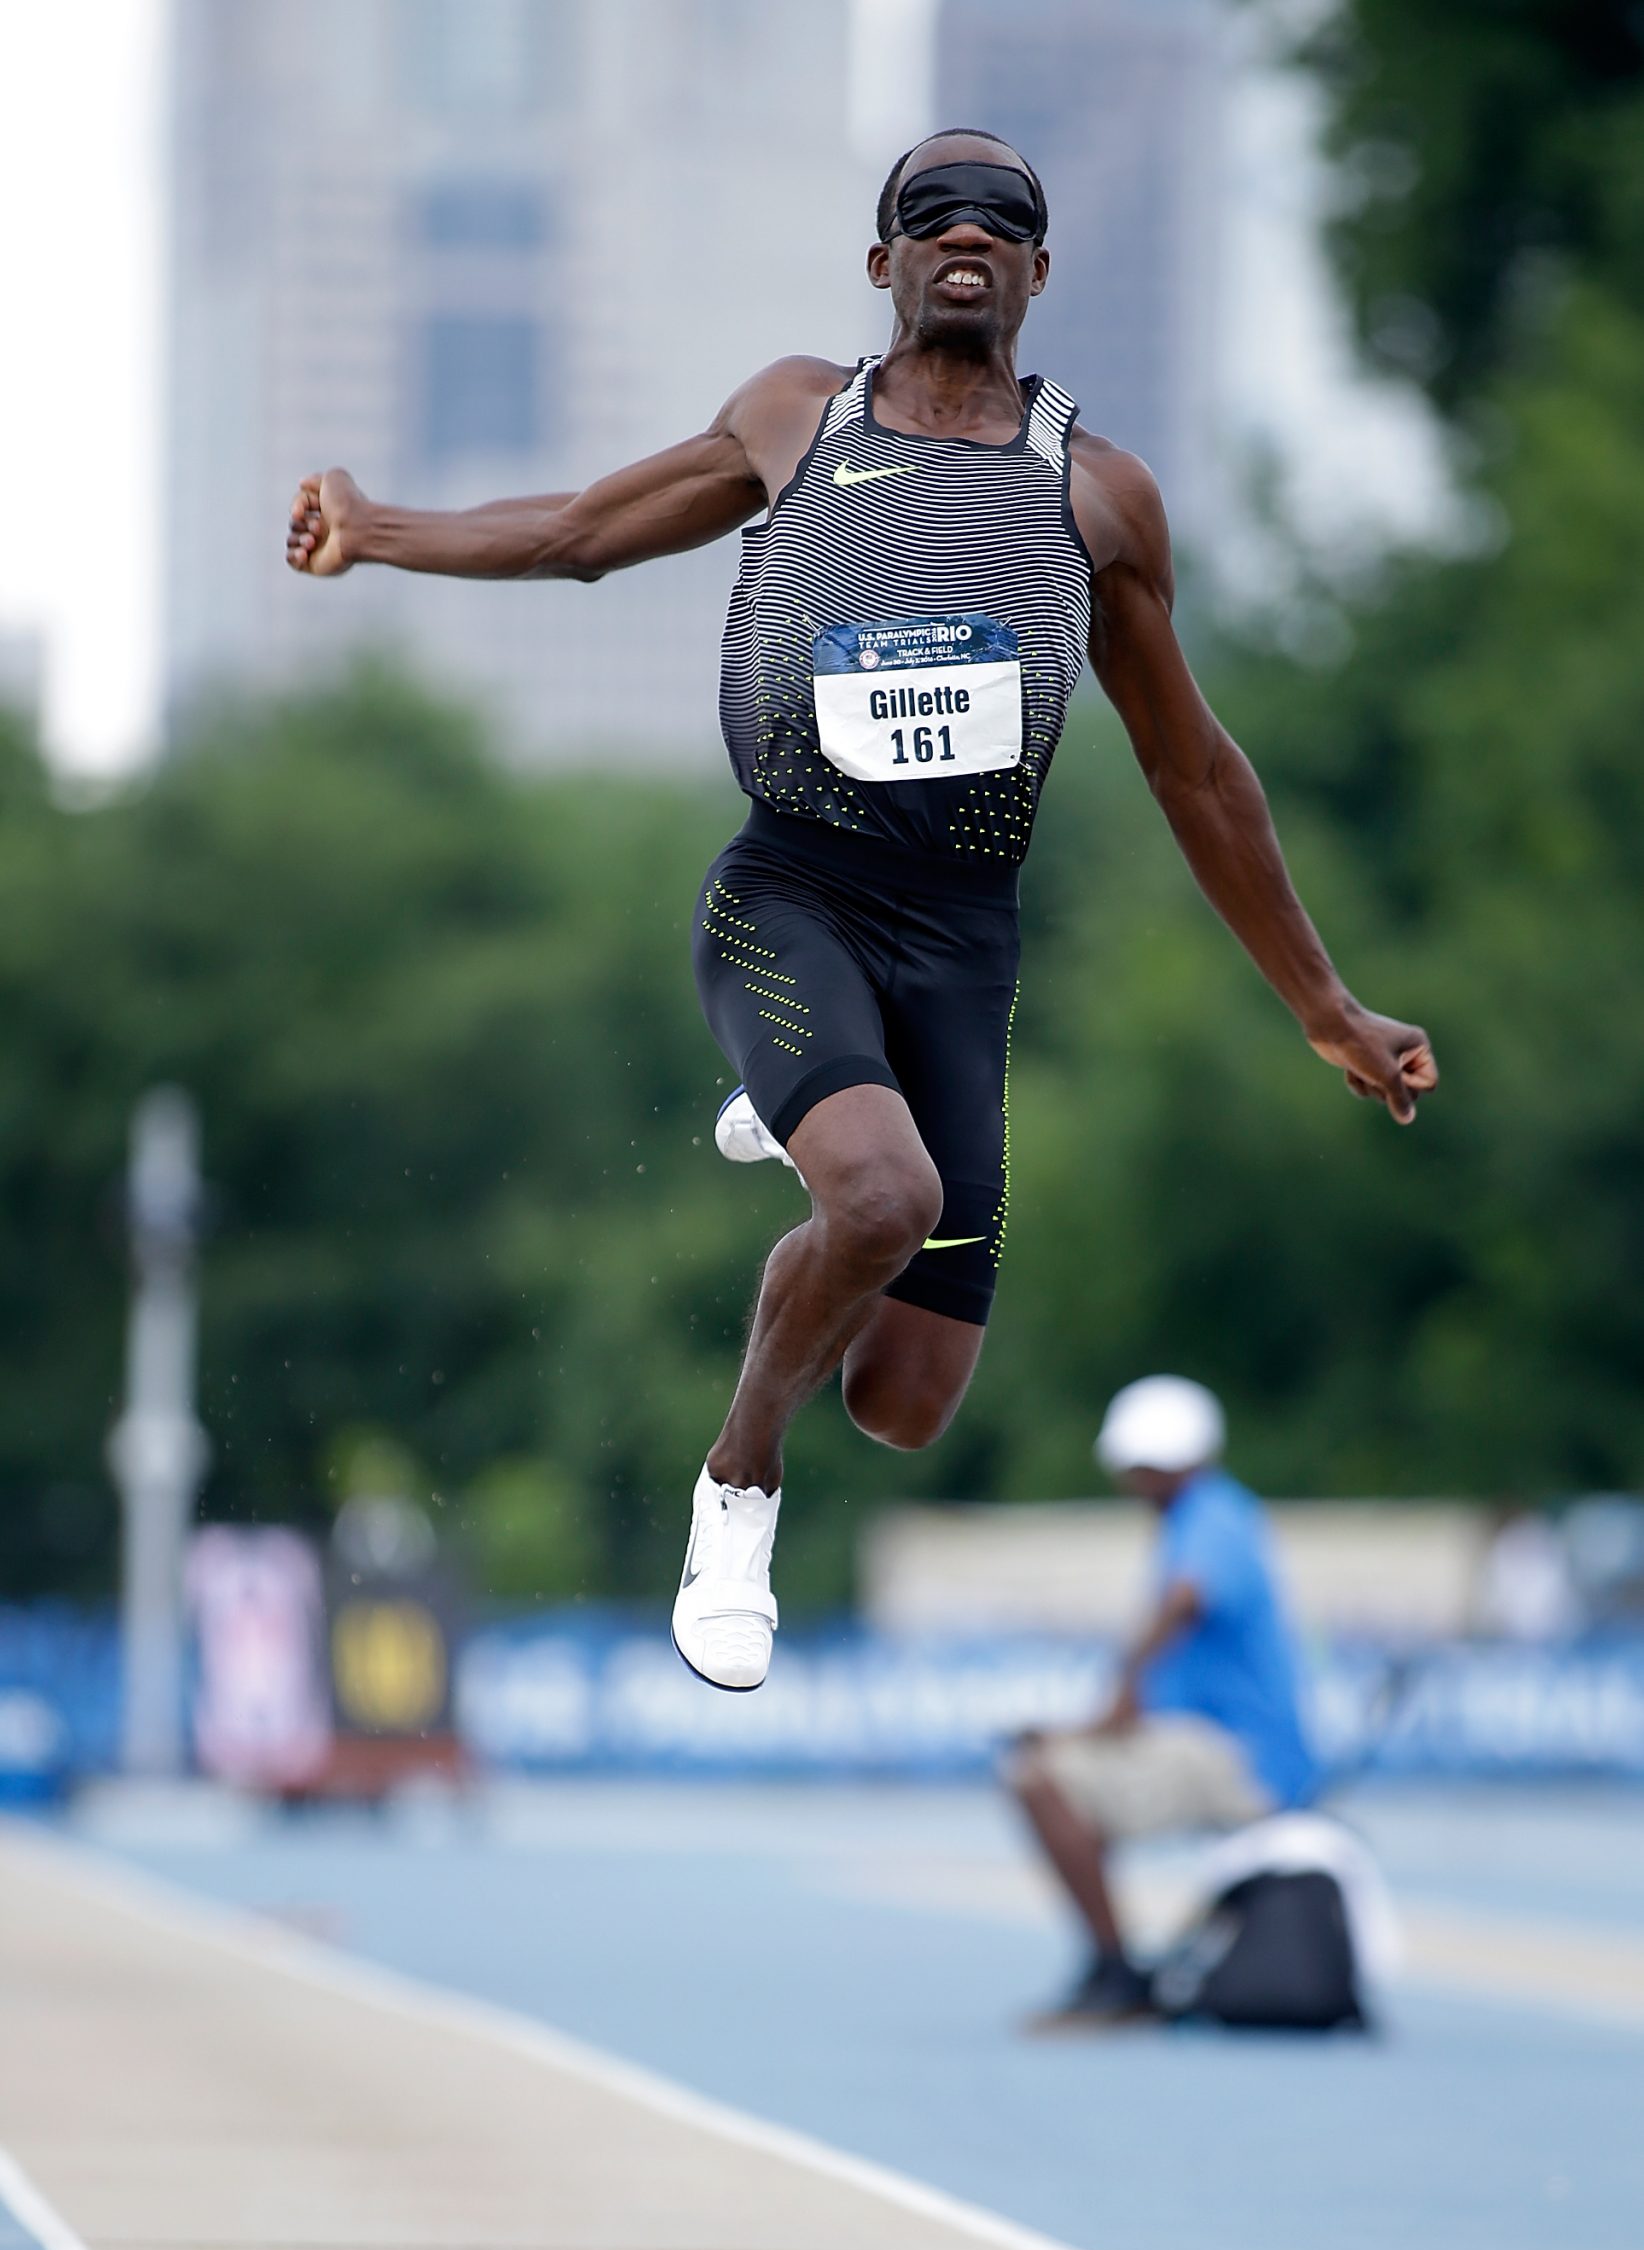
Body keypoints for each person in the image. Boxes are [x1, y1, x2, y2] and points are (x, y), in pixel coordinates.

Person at [286, 130, 1437, 1696]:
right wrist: (378, 526)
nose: (968, 230)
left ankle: (808, 1105)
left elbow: (1198, 773)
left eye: (1005, 218)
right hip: (792, 893)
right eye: (930, 214)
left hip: (963, 944)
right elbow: (575, 535)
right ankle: (737, 1483)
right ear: (882, 261)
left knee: (904, 1399)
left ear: (1039, 272)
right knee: (883, 1200)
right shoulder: (794, 416)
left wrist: (1323, 1003)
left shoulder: (1098, 496)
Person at [1006, 1374, 1320, 2025]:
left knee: (1041, 1782)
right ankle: (1119, 1966)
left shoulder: (1211, 1515)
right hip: (1216, 1744)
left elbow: (1184, 1600)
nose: (1137, 1480)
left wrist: (1120, 1696)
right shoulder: (1207, 1515)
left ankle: (1117, 1972)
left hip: (1244, 1759)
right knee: (1061, 1774)